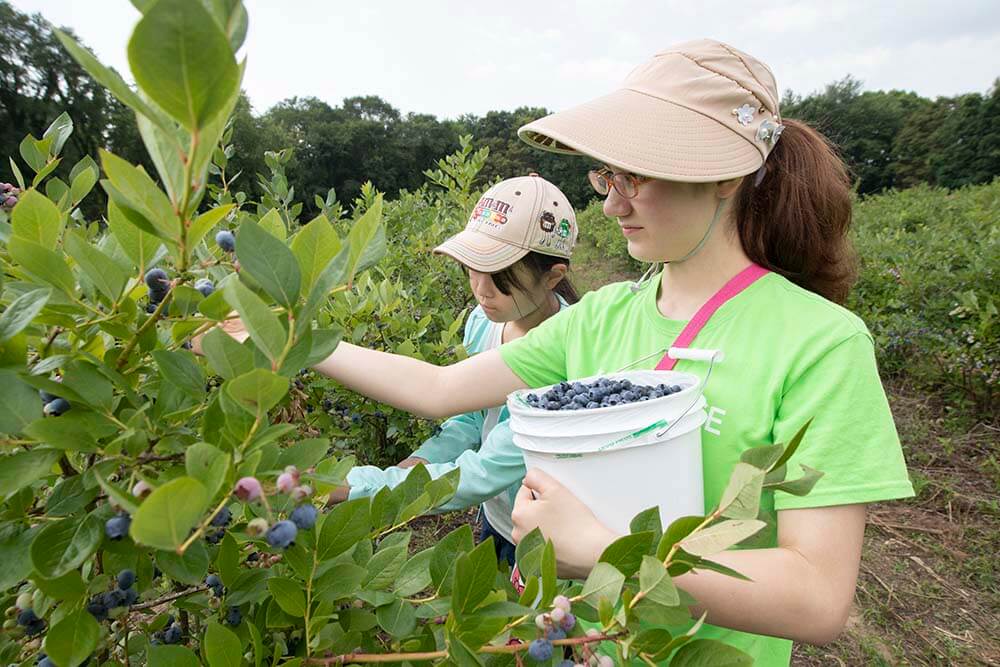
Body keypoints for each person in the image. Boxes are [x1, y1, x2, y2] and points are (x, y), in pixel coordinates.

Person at [300, 40, 914, 665]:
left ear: (726, 174)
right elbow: (438, 390)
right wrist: (296, 341)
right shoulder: (602, 316)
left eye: (638, 176)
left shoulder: (820, 344)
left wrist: (601, 550)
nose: (613, 202)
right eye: (608, 175)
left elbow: (817, 598)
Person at [328, 174, 579, 566]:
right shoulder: (484, 321)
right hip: (496, 515)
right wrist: (419, 464)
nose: (481, 288)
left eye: (500, 276)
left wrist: (355, 485)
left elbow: (483, 473)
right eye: (472, 267)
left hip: (544, 537)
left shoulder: (568, 359)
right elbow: (470, 417)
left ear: (554, 276)